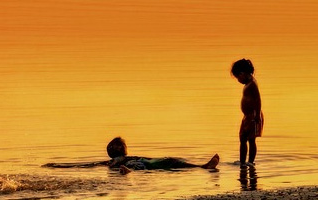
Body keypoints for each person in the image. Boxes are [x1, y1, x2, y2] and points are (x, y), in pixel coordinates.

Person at [43, 137, 219, 174]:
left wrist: (60, 166)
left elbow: (88, 165)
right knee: (171, 162)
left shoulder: (110, 161)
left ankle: (128, 172)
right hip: (145, 164)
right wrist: (60, 166)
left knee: (168, 162)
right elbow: (88, 165)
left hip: (141, 165)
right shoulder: (117, 160)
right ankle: (201, 167)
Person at [231, 58, 264, 168]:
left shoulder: (252, 84)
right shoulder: (248, 83)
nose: (238, 80)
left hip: (253, 116)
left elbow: (258, 99)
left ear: (243, 73)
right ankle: (242, 162)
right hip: (247, 116)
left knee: (251, 139)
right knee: (242, 138)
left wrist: (258, 115)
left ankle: (250, 161)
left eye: (238, 78)